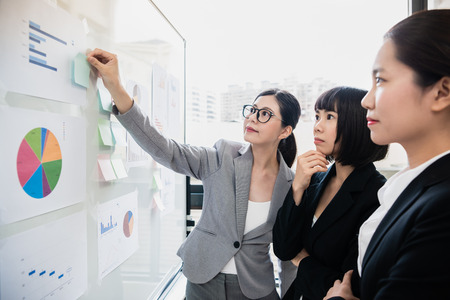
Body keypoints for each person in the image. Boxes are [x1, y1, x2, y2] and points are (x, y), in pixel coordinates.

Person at [87, 48, 300, 300]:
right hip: (203, 282)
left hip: (256, 289)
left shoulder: (292, 184)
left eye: (265, 114)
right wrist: (117, 89)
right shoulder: (223, 155)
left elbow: (289, 254)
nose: (252, 118)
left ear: (285, 131)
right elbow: (167, 150)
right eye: (252, 110)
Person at [324, 9, 450, 300]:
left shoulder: (442, 207)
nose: (367, 100)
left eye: (380, 80)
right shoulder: (411, 183)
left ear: (442, 92)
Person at [272, 86, 388, 300]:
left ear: (356, 123)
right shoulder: (316, 179)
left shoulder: (377, 195)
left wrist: (303, 260)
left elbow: (349, 286)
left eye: (329, 117)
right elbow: (283, 248)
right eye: (317, 116)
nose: (317, 126)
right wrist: (297, 187)